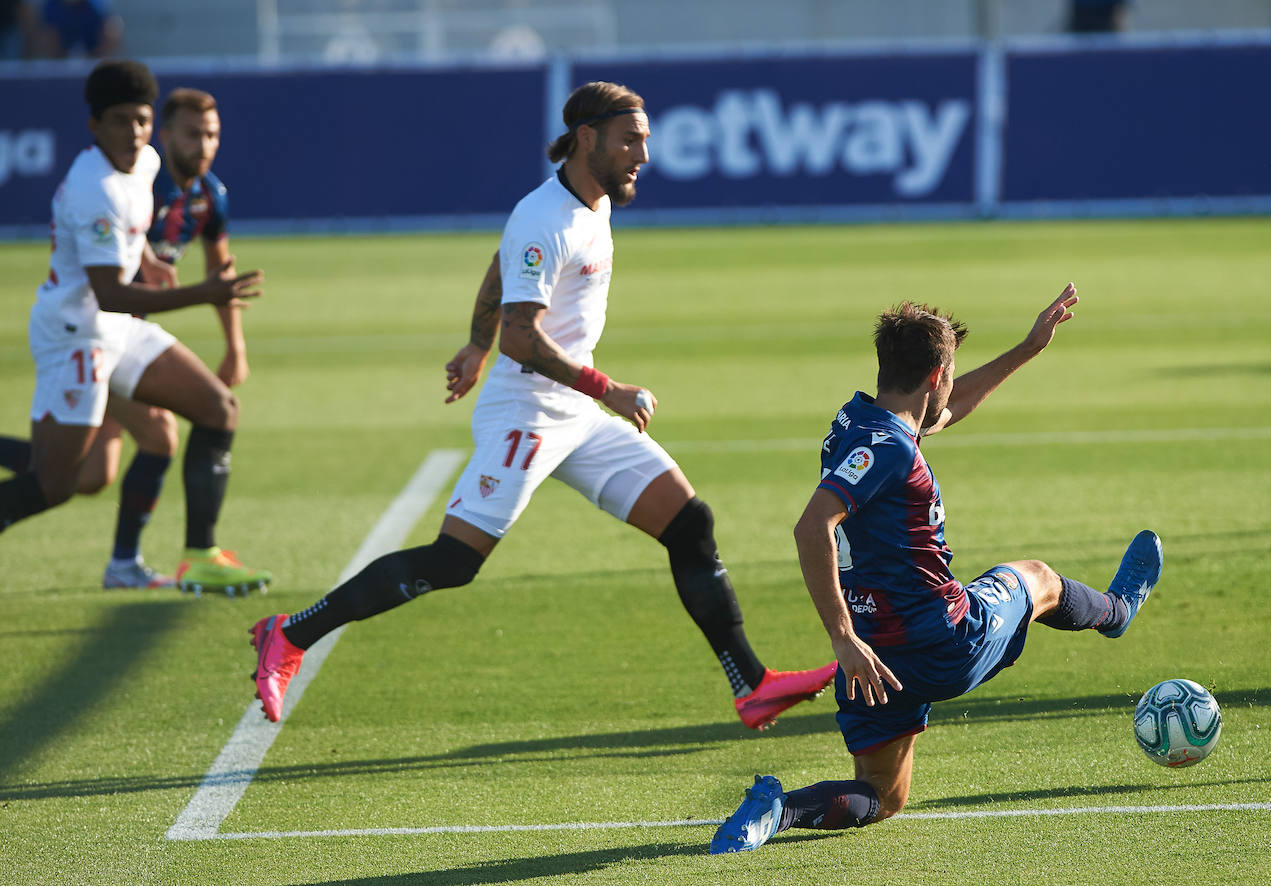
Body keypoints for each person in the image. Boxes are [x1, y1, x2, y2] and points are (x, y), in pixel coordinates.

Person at [247, 81, 837, 729]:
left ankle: (751, 685)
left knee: (688, 522)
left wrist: (474, 345)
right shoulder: (545, 217)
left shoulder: (589, 200)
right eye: (629, 140)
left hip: (573, 413)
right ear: (587, 139)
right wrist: (604, 387)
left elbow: (504, 271)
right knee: (454, 562)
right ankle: (291, 633)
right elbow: (523, 336)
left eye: (645, 139)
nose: (643, 153)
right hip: (526, 413)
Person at [709, 286, 1164, 853]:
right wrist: (841, 637)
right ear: (935, 374)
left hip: (878, 658)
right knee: (1038, 577)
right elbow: (811, 527)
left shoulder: (859, 421)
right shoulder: (893, 450)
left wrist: (1026, 349)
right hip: (943, 639)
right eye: (950, 374)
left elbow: (944, 413)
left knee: (881, 795)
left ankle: (779, 810)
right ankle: (1116, 612)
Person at [0, 60, 272, 598]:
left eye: (142, 120)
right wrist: (202, 292)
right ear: (94, 125)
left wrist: (145, 255)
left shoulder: (144, 161)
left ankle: (200, 556)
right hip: (77, 334)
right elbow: (111, 293)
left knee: (219, 409)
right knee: (57, 485)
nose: (134, 133)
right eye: (121, 121)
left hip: (116, 328)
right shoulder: (92, 189)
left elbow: (134, 229)